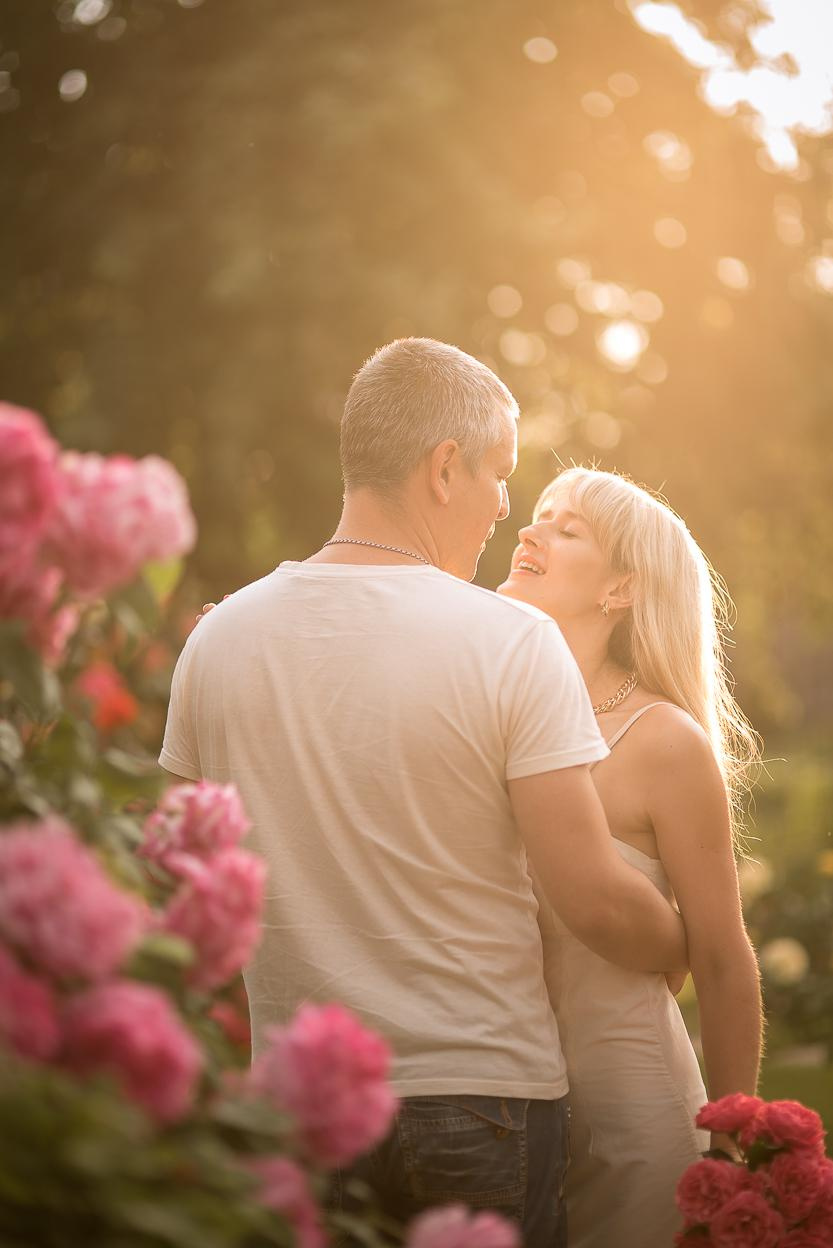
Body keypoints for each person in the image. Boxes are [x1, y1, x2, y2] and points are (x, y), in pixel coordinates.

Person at [160, 338, 687, 1248]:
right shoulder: (510, 641)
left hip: (294, 1110)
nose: (504, 508)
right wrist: (689, 941)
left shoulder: (218, 638)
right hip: (481, 1099)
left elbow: (173, 877)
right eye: (498, 474)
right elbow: (593, 900)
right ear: (444, 468)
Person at [498, 465, 763, 1248]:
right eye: (537, 516)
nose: (529, 531)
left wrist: (730, 1147)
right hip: (498, 1114)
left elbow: (721, 958)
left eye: (566, 528)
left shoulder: (662, 741)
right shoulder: (487, 708)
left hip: (632, 1126)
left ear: (620, 589)